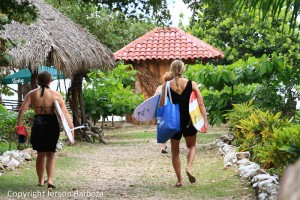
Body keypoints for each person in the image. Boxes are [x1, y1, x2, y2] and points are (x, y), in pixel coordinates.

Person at [17, 71, 74, 189]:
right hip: (52, 124)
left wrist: (19, 125)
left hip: (38, 124)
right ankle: (50, 180)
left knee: (40, 153)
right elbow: (64, 112)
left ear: (38, 80)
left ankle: (40, 180)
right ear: (49, 81)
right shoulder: (55, 94)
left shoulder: (32, 93)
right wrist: (71, 127)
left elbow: (22, 110)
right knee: (51, 153)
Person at [159, 59, 208, 187]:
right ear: (183, 69)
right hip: (189, 120)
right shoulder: (192, 84)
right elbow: (201, 104)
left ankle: (180, 180)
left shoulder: (166, 85)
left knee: (175, 152)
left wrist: (160, 120)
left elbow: (162, 105)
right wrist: (204, 121)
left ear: (172, 69)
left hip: (174, 122)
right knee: (191, 146)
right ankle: (189, 168)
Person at [154, 71, 174, 154]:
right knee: (172, 127)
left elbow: (154, 99)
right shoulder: (174, 88)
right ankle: (174, 146)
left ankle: (163, 146)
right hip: (171, 110)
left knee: (162, 127)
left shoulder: (160, 88)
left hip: (161, 110)